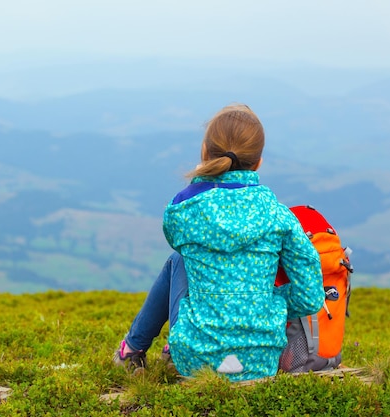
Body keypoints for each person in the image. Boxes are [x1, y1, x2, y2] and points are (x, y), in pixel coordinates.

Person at [113, 103, 324, 382]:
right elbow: (311, 296)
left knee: (179, 260)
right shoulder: (279, 216)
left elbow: (177, 243)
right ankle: (155, 350)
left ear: (205, 151)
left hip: (195, 359)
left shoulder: (184, 209)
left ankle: (131, 350)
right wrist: (267, 300)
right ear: (258, 161)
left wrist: (202, 181)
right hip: (260, 362)